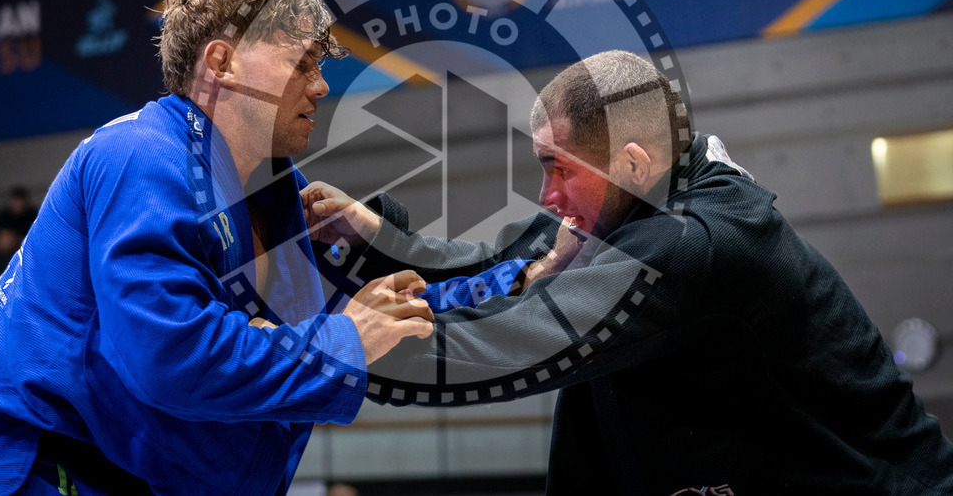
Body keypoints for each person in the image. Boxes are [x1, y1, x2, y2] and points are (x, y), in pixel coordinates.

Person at [302, 50, 953, 494]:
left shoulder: (695, 246)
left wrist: (332, 354)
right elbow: (504, 256)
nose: (547, 195)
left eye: (560, 169)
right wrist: (372, 238)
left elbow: (512, 342)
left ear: (634, 164)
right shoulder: (632, 211)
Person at [0, 0, 434, 495]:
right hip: (40, 473)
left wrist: (524, 271)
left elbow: (382, 316)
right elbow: (173, 357)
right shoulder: (140, 156)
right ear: (221, 63)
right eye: (301, 63)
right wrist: (341, 340)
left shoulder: (276, 193)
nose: (320, 86)